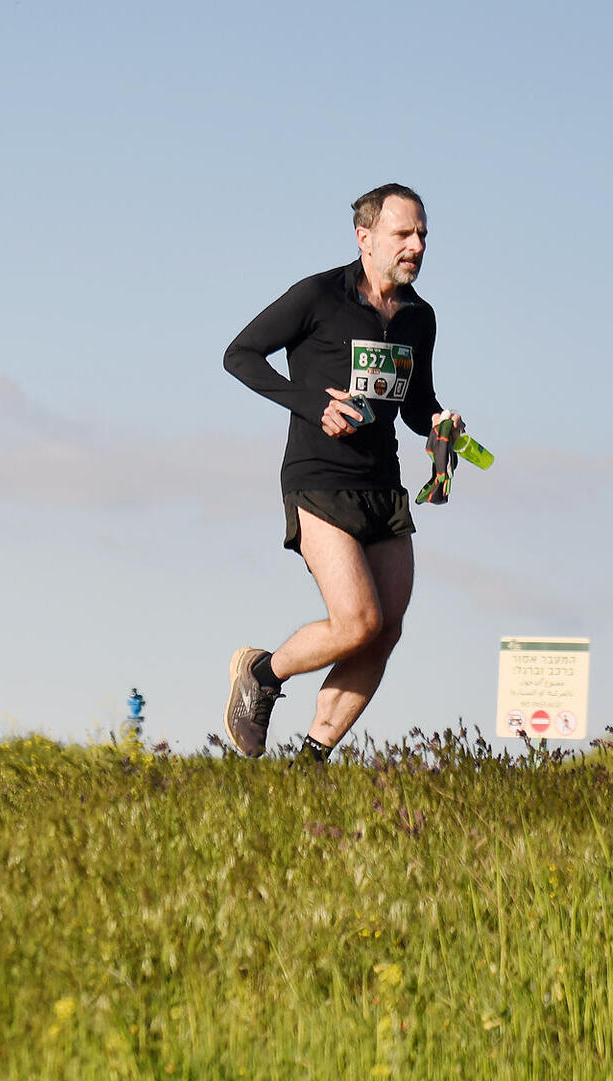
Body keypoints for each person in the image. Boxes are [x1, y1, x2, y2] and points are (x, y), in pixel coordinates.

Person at [220, 184, 464, 761]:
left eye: (423, 235)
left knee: (386, 630)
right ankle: (262, 673)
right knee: (357, 620)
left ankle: (311, 760)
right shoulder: (318, 296)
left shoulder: (419, 317)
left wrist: (438, 423)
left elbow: (413, 401)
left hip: (384, 486)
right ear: (365, 237)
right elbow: (240, 355)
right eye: (403, 234)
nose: (417, 245)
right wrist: (311, 402)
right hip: (318, 479)